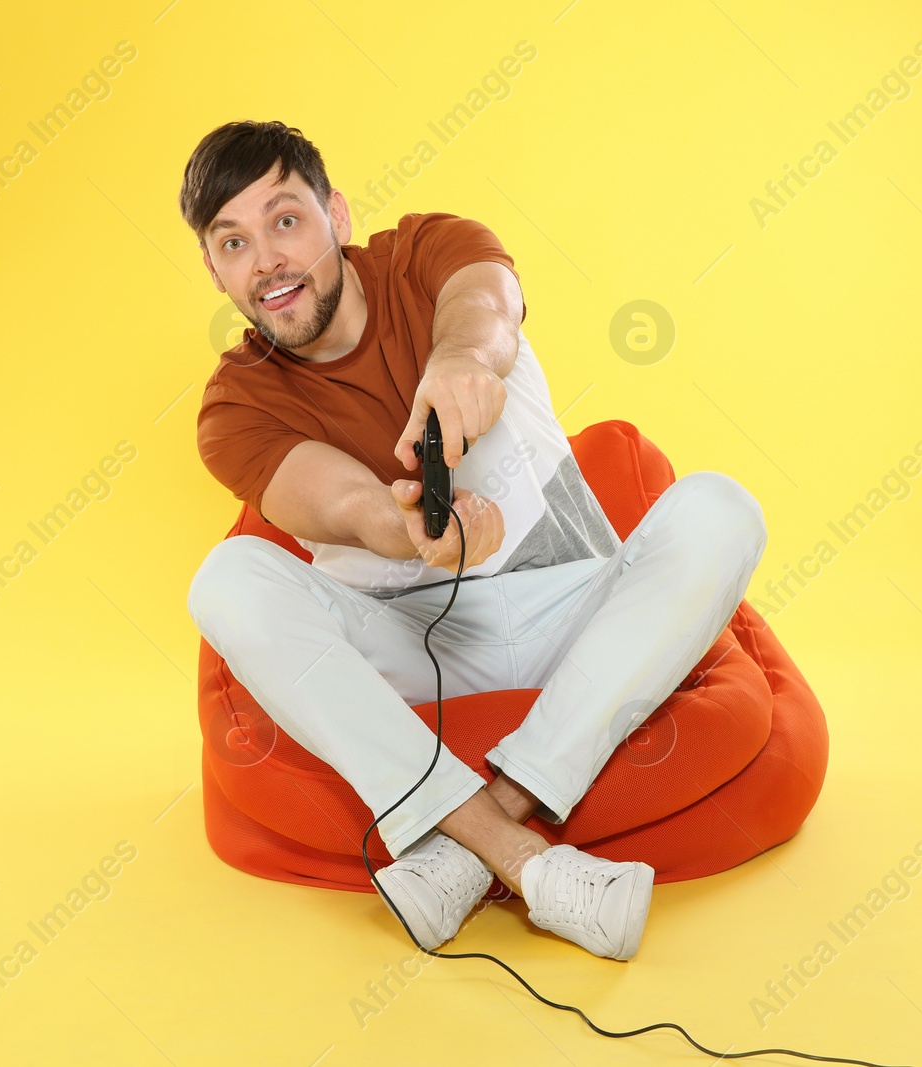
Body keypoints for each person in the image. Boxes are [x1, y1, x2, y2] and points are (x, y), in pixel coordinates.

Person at [182, 121, 767, 961]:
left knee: (722, 507)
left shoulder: (429, 247)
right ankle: (526, 861)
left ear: (336, 215)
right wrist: (411, 529)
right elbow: (339, 501)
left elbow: (486, 304)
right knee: (226, 578)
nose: (266, 260)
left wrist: (462, 361)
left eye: (285, 221)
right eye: (232, 241)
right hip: (424, 646)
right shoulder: (232, 409)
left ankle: (467, 842)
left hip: (577, 608)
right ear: (214, 269)